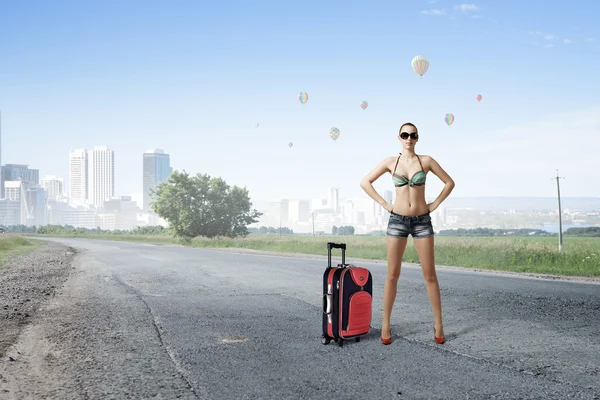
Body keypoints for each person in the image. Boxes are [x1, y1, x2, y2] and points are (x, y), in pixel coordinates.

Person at [359, 122, 455, 345]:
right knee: (392, 274)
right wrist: (386, 205)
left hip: (422, 221)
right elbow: (365, 182)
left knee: (430, 275)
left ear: (417, 138)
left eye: (413, 135)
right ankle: (385, 323)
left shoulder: (426, 161)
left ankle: (439, 323)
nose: (409, 138)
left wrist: (435, 204)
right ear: (399, 137)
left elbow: (449, 183)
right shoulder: (391, 162)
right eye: (405, 135)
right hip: (397, 221)